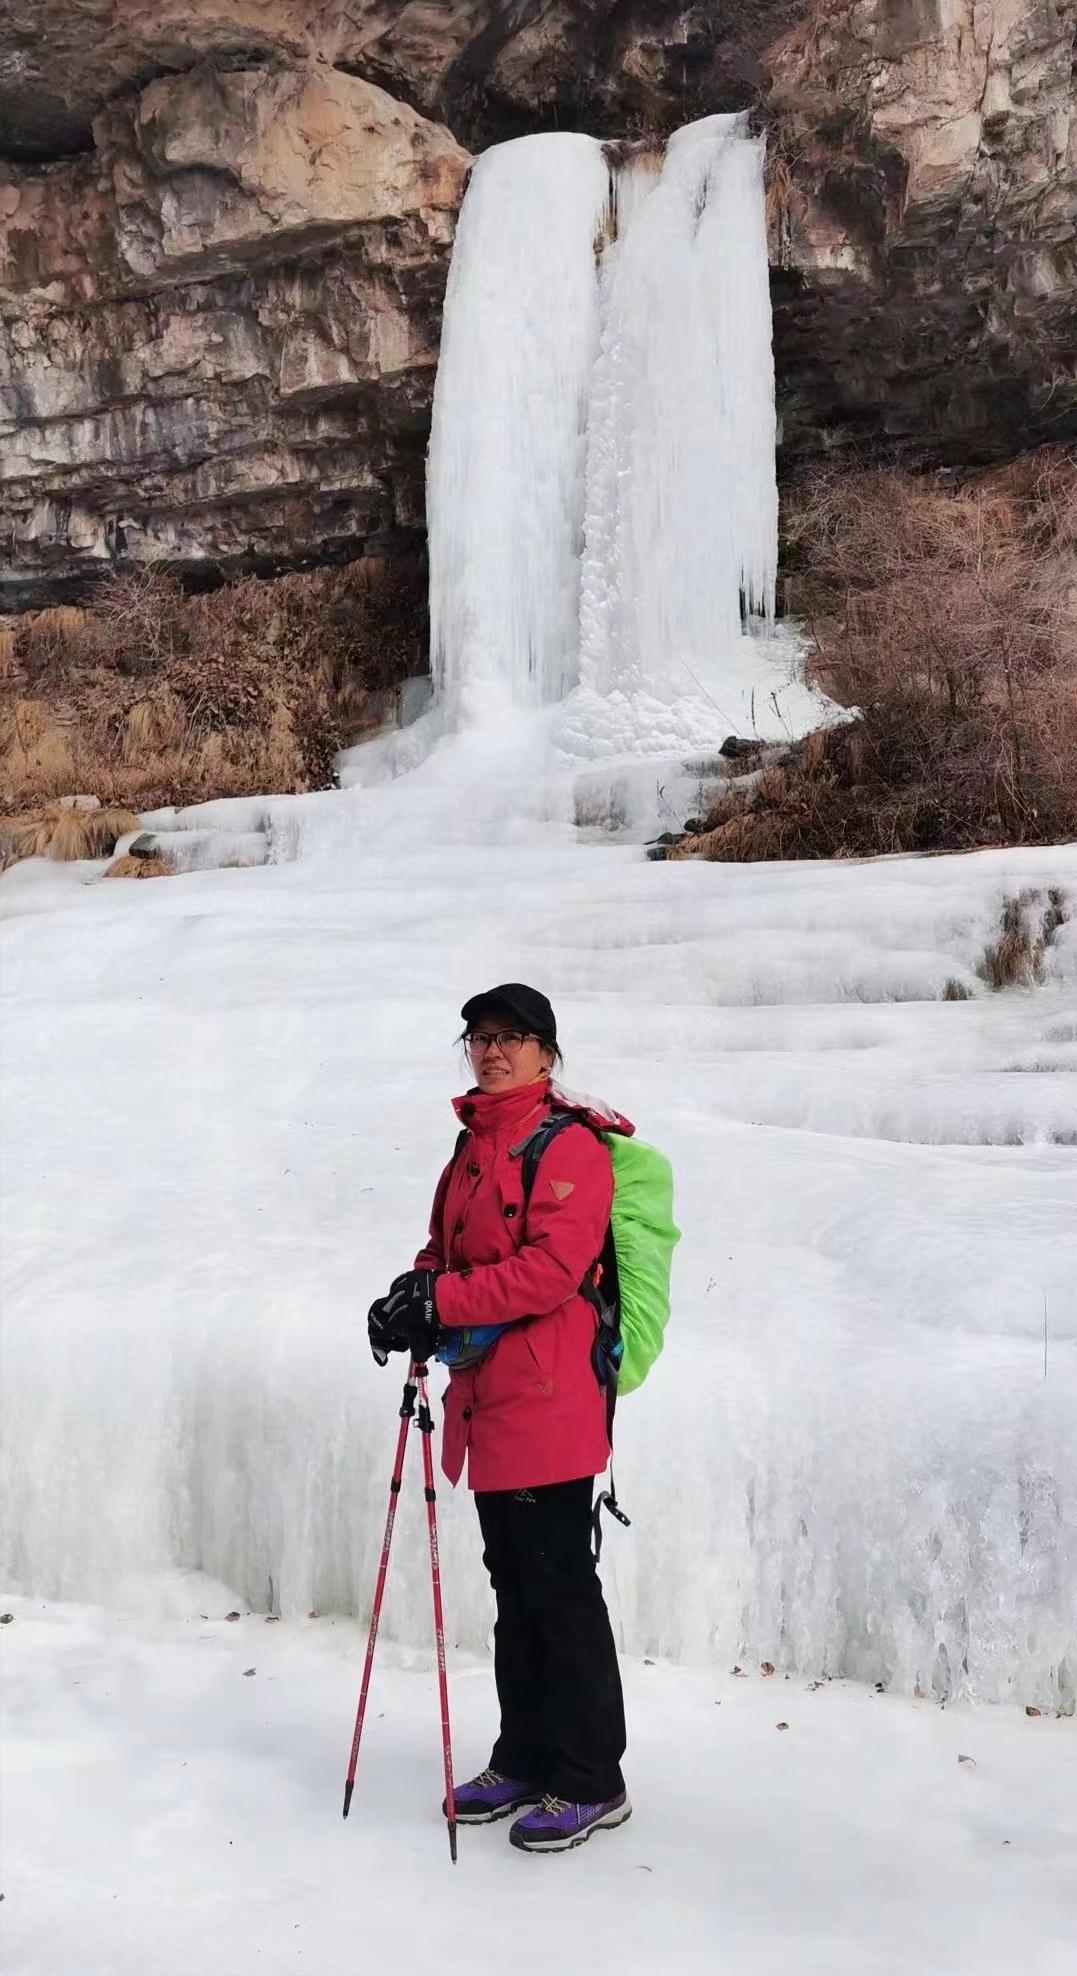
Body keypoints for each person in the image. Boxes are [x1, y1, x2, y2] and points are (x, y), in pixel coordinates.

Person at [367, 983, 633, 1854]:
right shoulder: (472, 1144)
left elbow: (553, 1269)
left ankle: (592, 1777)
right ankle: (523, 1757)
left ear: (547, 1053)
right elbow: (445, 1249)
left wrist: (442, 1298)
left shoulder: (569, 1146)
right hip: (489, 1398)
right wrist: (413, 1292)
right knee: (515, 1591)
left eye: (512, 1038)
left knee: (557, 1591)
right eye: (480, 1038)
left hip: (551, 1399)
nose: (492, 1051)